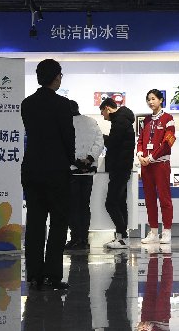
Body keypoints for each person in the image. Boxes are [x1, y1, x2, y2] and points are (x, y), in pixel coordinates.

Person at [21, 59, 74, 291]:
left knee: (35, 222)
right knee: (58, 222)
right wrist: (71, 160)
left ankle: (34, 275)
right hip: (56, 170)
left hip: (32, 168)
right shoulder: (62, 104)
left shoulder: (27, 104)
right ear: (55, 77)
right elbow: (67, 136)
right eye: (60, 75)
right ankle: (52, 275)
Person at [138, 89, 176, 245]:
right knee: (149, 199)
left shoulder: (168, 119)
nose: (150, 102)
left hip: (161, 164)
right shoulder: (145, 120)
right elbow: (140, 140)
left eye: (153, 99)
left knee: (164, 198)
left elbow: (168, 143)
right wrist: (140, 154)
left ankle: (166, 231)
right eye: (148, 99)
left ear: (161, 100)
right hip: (146, 165)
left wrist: (152, 157)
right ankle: (153, 232)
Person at [65, 100, 104, 251]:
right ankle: (84, 239)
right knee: (84, 206)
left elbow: (65, 145)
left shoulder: (66, 123)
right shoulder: (92, 122)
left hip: (72, 171)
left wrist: (76, 162)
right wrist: (89, 159)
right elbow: (99, 142)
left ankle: (75, 239)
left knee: (72, 207)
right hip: (88, 172)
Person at [99, 96, 136, 249]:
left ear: (107, 108)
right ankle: (122, 237)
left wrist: (100, 136)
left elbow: (113, 143)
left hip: (119, 168)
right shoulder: (123, 119)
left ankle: (122, 237)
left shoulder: (119, 121)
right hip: (122, 167)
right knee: (120, 202)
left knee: (111, 203)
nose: (103, 116)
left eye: (102, 113)